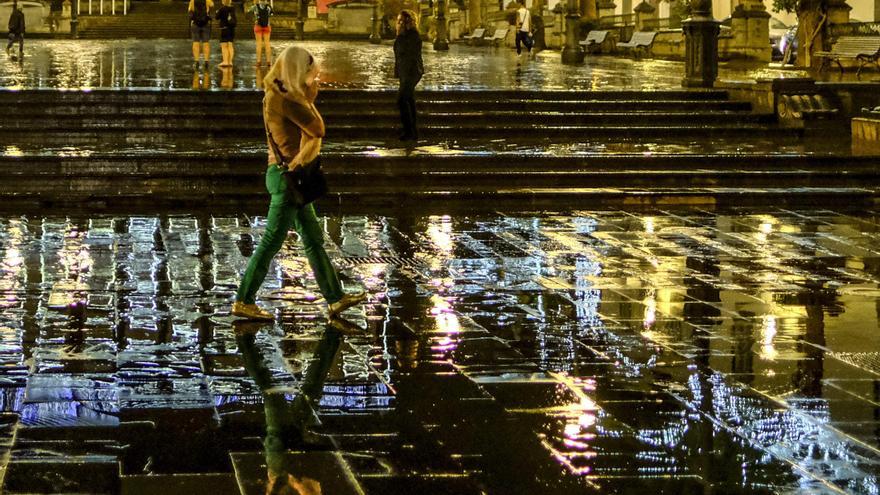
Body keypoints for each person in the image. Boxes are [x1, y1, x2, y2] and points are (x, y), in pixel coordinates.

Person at [232, 46, 367, 321]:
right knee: (271, 241)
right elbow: (318, 129)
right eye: (308, 73)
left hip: (291, 177)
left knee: (314, 239)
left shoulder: (275, 94)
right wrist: (311, 100)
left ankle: (335, 298)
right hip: (288, 178)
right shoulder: (286, 100)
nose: (311, 79)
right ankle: (244, 300)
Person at [393, 10, 423, 142]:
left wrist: (406, 76)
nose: (399, 24)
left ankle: (409, 131)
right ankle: (412, 132)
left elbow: (409, 56)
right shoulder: (402, 36)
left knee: (401, 100)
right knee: (409, 99)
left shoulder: (412, 36)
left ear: (408, 22)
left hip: (411, 72)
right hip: (405, 72)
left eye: (402, 21)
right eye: (398, 21)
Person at [188, 0, 214, 69]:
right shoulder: (207, 1)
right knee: (206, 43)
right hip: (205, 23)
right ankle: (206, 61)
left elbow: (190, 10)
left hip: (195, 24)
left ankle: (196, 61)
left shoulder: (192, 1)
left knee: (195, 42)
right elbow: (212, 5)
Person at [251, 0, 272, 66]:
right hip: (267, 26)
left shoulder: (255, 6)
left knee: (258, 44)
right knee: (267, 43)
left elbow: (249, 11)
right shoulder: (268, 7)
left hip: (258, 26)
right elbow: (271, 15)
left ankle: (258, 61)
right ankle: (268, 61)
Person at [216, 0, 236, 67]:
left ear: (223, 1)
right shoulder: (233, 8)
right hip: (232, 29)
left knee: (224, 46)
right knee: (230, 45)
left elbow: (217, 17)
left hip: (224, 29)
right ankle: (230, 62)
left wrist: (217, 12)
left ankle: (225, 61)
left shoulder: (222, 8)